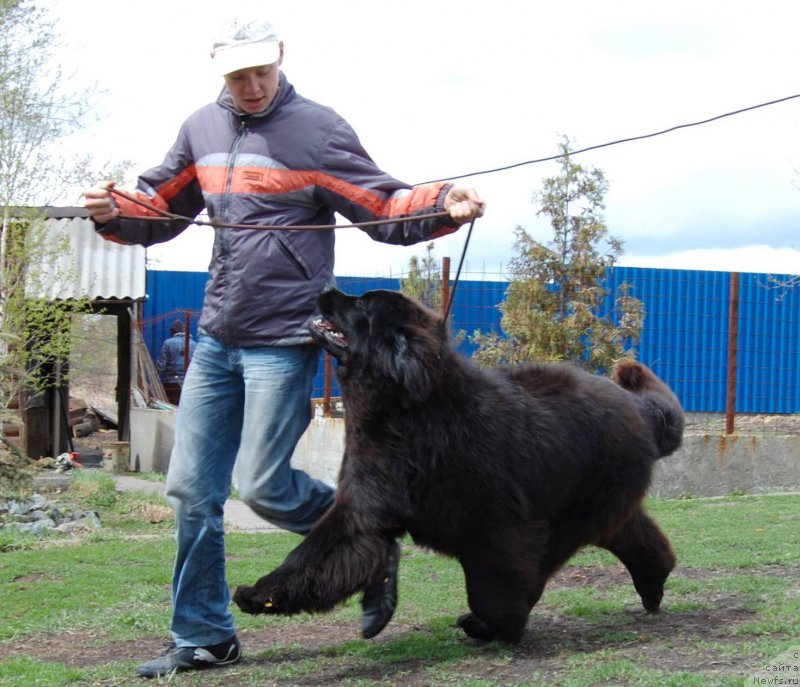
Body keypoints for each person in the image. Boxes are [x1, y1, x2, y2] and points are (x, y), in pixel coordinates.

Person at [84, 15, 485, 679]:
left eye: (260, 71)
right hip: (217, 335)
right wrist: (113, 213)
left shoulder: (318, 130)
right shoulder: (200, 130)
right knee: (189, 491)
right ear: (219, 69)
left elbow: (380, 203)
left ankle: (367, 543)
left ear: (280, 58)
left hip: (284, 336)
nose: (250, 86)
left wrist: (444, 202)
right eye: (237, 75)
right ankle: (205, 634)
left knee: (265, 486)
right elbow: (158, 205)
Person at [156, 319, 197, 405]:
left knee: (172, 409)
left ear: (173, 331)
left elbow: (161, 366)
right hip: (189, 384)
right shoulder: (194, 345)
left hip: (170, 384)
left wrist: (156, 380)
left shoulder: (167, 343)